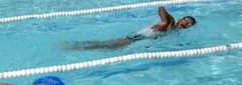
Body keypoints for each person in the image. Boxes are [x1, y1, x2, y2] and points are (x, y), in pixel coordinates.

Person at [67, 7, 196, 50]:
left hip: (137, 40)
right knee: (103, 46)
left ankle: (75, 46)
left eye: (189, 24)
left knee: (104, 46)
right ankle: (73, 46)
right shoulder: (170, 22)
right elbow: (161, 8)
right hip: (134, 39)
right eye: (186, 19)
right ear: (181, 19)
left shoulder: (174, 33)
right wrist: (163, 22)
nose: (186, 23)